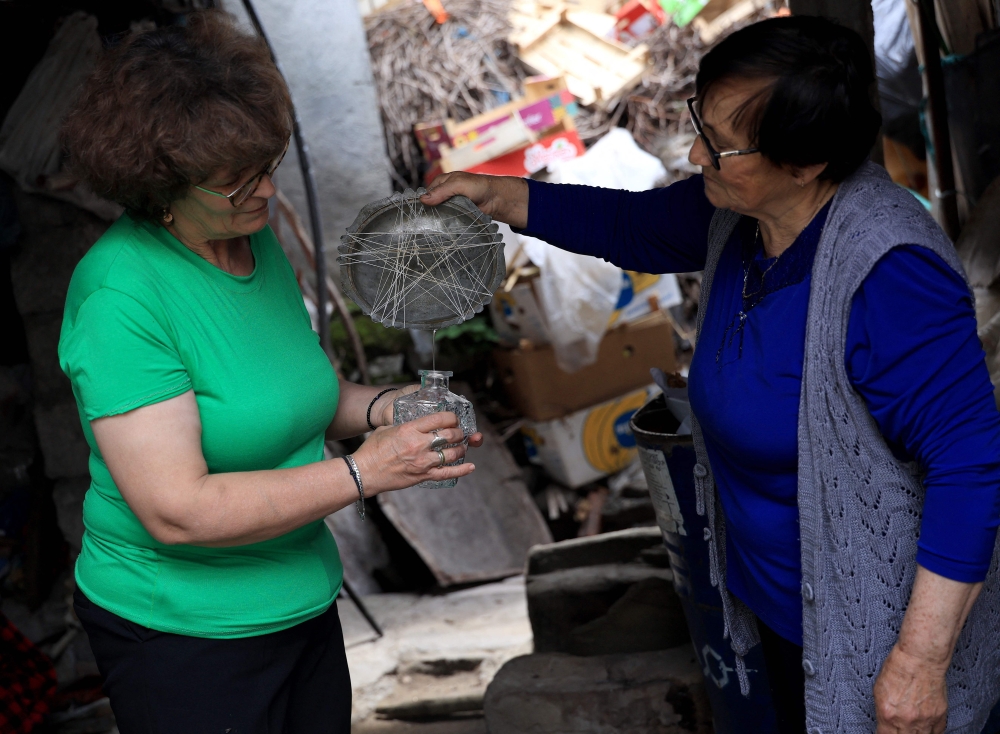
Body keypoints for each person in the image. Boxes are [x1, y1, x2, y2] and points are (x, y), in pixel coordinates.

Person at [422, 15, 1000, 734]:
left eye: (720, 143)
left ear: (806, 161)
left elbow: (970, 465)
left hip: (880, 633)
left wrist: (919, 663)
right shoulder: (741, 214)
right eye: (701, 122)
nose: (696, 151)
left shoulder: (888, 274)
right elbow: (633, 226)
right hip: (787, 613)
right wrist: (498, 197)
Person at [58, 12, 482, 733]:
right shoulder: (120, 297)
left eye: (267, 168)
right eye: (235, 183)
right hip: (186, 632)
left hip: (301, 601)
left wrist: (389, 409)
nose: (262, 192)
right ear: (159, 188)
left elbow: (302, 397)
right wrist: (365, 474)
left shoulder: (252, 242)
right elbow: (177, 511)